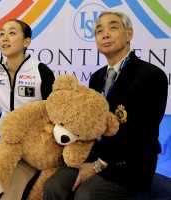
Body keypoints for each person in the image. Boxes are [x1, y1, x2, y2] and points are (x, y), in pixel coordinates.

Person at [43, 10, 168, 200]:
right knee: (53, 186)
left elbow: (142, 133)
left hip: (130, 164)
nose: (105, 34)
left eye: (113, 27)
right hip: (95, 154)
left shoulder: (151, 76)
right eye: (99, 31)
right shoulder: (97, 77)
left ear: (129, 34)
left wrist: (97, 165)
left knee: (86, 195)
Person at [0, 19, 55, 199]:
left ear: (26, 42)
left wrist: (42, 141)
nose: (5, 38)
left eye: (12, 33)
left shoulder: (41, 71)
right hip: (4, 141)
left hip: (33, 145)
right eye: (2, 33)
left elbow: (54, 114)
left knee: (12, 192)